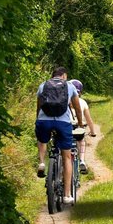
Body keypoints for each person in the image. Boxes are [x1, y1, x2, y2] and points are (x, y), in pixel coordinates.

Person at [35, 67, 84, 205]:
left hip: (43, 121)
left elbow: (39, 107)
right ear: (64, 76)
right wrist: (80, 124)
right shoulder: (69, 86)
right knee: (67, 157)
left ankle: (42, 162)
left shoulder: (43, 85)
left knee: (42, 140)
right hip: (63, 123)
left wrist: (38, 120)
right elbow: (77, 108)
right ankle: (67, 195)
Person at [69, 79, 96, 175]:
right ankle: (82, 161)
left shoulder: (64, 101)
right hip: (77, 127)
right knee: (81, 141)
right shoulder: (82, 102)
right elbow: (89, 120)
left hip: (65, 126)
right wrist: (92, 132)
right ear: (80, 92)